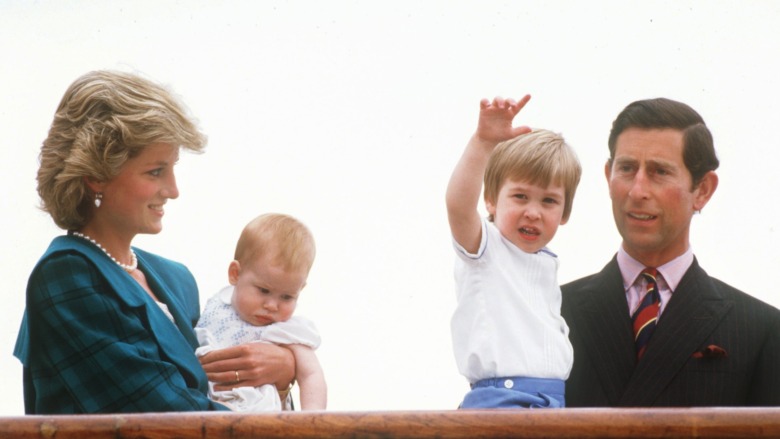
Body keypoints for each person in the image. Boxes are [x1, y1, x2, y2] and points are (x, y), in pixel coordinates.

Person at [13, 70, 294, 414]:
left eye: (173, 168)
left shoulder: (176, 279)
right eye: (155, 171)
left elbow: (221, 397)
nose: (173, 190)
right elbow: (165, 417)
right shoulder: (66, 275)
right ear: (95, 176)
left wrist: (284, 369)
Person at [561, 97, 780, 406]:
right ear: (608, 176)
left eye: (659, 172)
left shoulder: (761, 330)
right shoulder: (551, 312)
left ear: (702, 190)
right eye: (626, 168)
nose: (637, 191)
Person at [446, 95, 582, 408]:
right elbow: (457, 205)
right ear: (491, 200)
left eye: (548, 201)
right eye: (520, 197)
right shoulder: (485, 249)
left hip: (552, 402)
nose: (533, 212)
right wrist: (482, 143)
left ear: (564, 212)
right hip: (502, 400)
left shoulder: (546, 264)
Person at [195, 213, 327, 411]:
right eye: (264, 291)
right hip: (202, 404)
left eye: (287, 297)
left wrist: (314, 421)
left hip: (260, 414)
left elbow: (312, 374)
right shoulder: (217, 306)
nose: (272, 306)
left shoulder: (288, 329)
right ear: (235, 274)